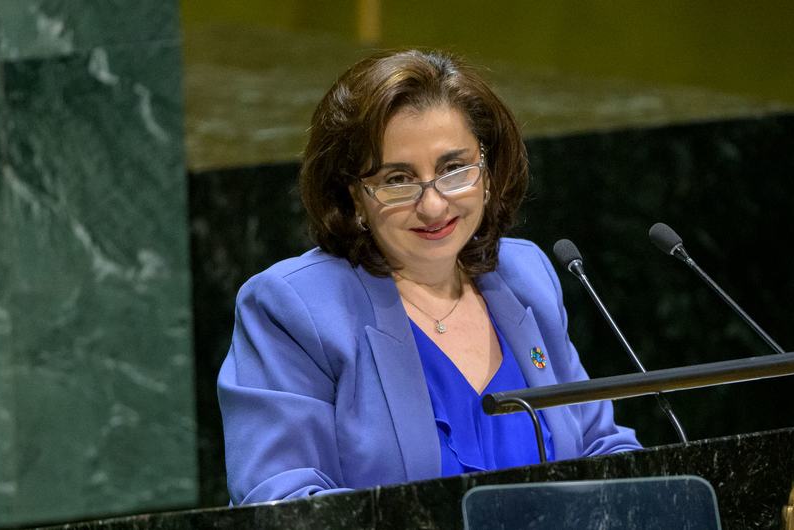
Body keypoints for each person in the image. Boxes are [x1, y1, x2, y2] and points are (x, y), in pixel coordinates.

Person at [217, 49, 642, 505]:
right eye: (398, 179)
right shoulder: (294, 306)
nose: (434, 205)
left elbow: (602, 446)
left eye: (453, 169)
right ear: (354, 196)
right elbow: (282, 500)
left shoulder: (525, 275)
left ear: (487, 172)